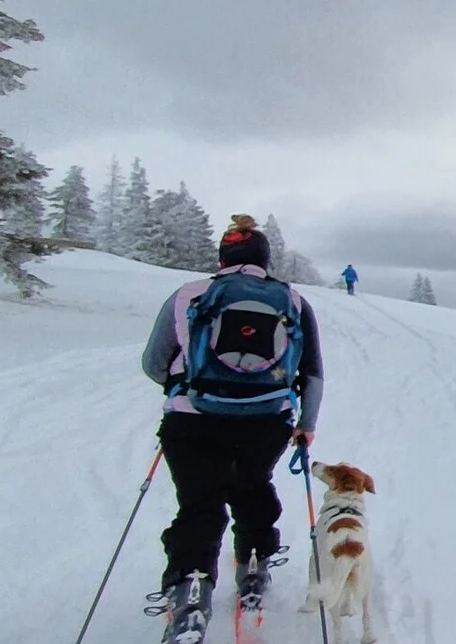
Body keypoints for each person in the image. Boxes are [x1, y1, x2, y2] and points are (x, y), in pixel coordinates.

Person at [140, 214, 324, 634]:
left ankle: (190, 592)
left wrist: (183, 386)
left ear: (222, 258)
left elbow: (153, 364)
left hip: (193, 421)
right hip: (266, 421)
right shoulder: (292, 300)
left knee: (199, 502)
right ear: (265, 258)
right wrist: (306, 423)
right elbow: (311, 372)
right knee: (252, 486)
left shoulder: (187, 295)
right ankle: (254, 568)